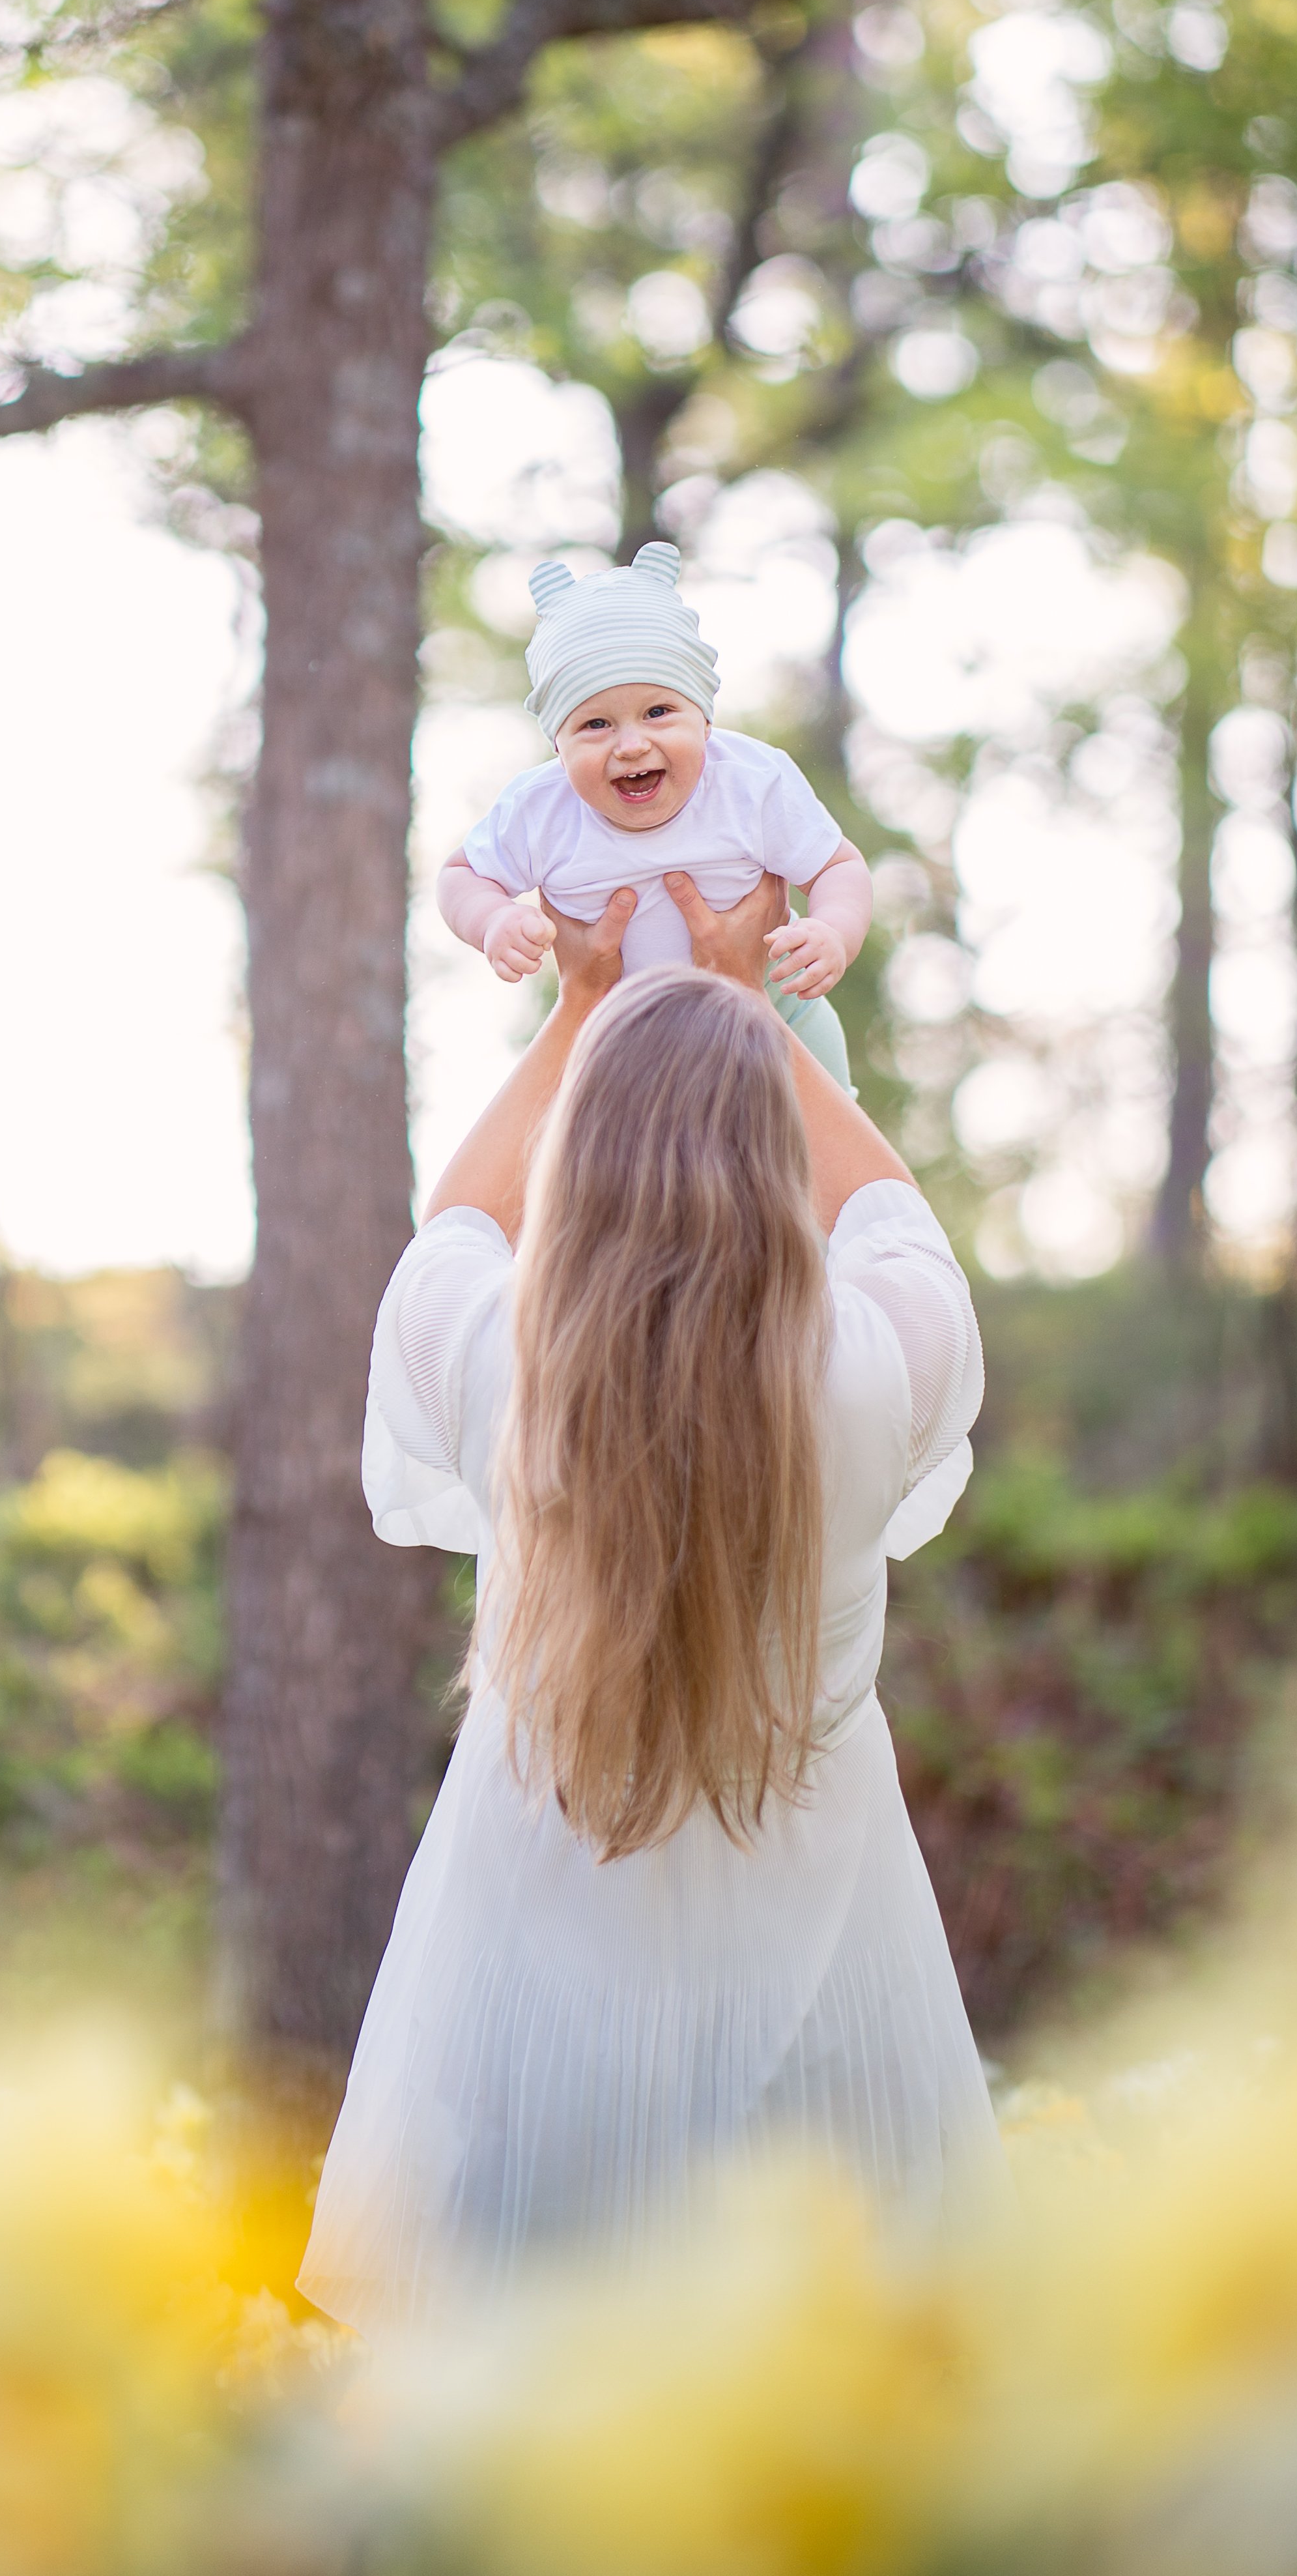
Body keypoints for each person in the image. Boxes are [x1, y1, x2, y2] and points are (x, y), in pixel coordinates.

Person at [298, 872, 999, 2334]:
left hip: (530, 1986)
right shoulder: (868, 1367)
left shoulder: (505, 1370)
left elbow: (448, 1235)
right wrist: (751, 1014)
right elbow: (895, 1220)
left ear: (579, 1159)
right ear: (764, 1161)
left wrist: (574, 1015)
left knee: (523, 2429)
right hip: (825, 1973)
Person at [436, 540, 872, 1089]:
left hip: (778, 1011)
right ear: (557, 746)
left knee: (828, 1157)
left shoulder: (750, 783)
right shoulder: (540, 810)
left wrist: (833, 930)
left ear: (706, 722)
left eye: (659, 712)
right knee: (582, 1146)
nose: (632, 744)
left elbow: (837, 867)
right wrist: (492, 920)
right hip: (620, 1036)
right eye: (595, 724)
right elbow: (460, 875)